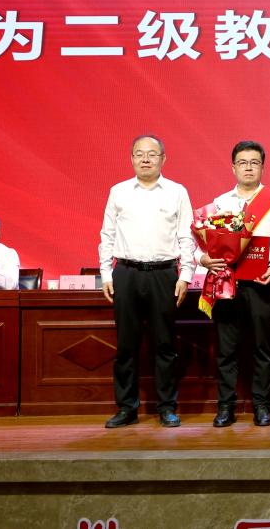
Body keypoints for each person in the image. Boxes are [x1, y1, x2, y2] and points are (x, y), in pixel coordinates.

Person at [98, 135, 196, 429]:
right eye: (139, 154)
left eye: (152, 154)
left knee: (165, 344)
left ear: (163, 159)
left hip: (164, 274)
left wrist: (185, 275)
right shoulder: (118, 192)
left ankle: (167, 407)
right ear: (131, 158)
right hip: (126, 273)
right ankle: (126, 408)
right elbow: (107, 235)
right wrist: (106, 273)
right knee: (126, 345)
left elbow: (186, 237)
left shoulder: (177, 192)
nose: (145, 159)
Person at [199, 140, 270, 428]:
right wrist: (203, 260)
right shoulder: (220, 203)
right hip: (227, 283)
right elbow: (204, 241)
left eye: (254, 163)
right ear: (233, 168)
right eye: (243, 163)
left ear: (262, 167)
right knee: (226, 348)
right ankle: (225, 406)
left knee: (262, 346)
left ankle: (261, 406)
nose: (248, 168)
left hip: (261, 282)